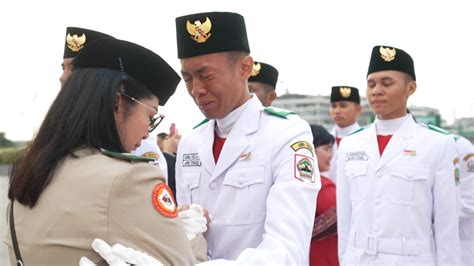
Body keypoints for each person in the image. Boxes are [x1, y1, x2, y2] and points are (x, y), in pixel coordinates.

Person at [5, 37, 206, 265]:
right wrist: (192, 236)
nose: (147, 134)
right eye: (150, 117)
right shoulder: (130, 180)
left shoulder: (29, 173)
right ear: (117, 103)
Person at [174, 11, 320, 264]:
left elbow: (288, 248)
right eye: (187, 79)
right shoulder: (190, 143)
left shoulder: (286, 135)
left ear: (244, 68)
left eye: (207, 76)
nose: (196, 90)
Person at [336, 45, 461, 264]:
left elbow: (447, 228)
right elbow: (345, 220)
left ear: (410, 88)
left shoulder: (438, 145)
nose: (376, 91)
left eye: (387, 83)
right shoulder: (351, 144)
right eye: (371, 84)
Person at [309, 125, 338, 266]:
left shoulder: (290, 179)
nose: (331, 155)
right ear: (311, 150)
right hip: (323, 257)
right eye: (327, 149)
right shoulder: (323, 186)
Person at [323, 85, 362, 183]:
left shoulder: (366, 140)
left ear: (358, 109)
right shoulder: (322, 139)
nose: (337, 111)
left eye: (343, 105)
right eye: (333, 106)